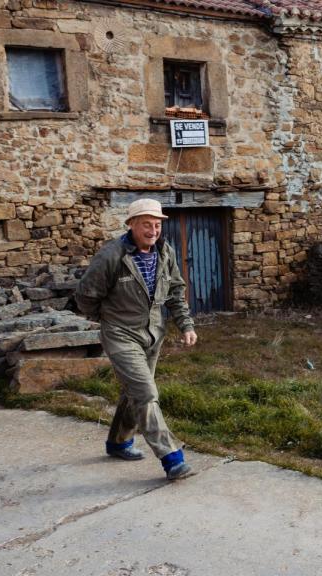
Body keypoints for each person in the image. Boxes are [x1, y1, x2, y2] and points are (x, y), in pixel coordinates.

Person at [76, 198, 198, 480]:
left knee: (135, 392)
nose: (153, 230)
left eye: (157, 225)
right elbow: (85, 296)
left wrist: (186, 326)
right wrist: (109, 319)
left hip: (153, 334)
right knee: (146, 393)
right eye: (146, 224)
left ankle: (118, 443)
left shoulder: (164, 252)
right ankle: (172, 458)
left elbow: (175, 293)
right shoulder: (111, 256)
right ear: (131, 225)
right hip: (120, 335)